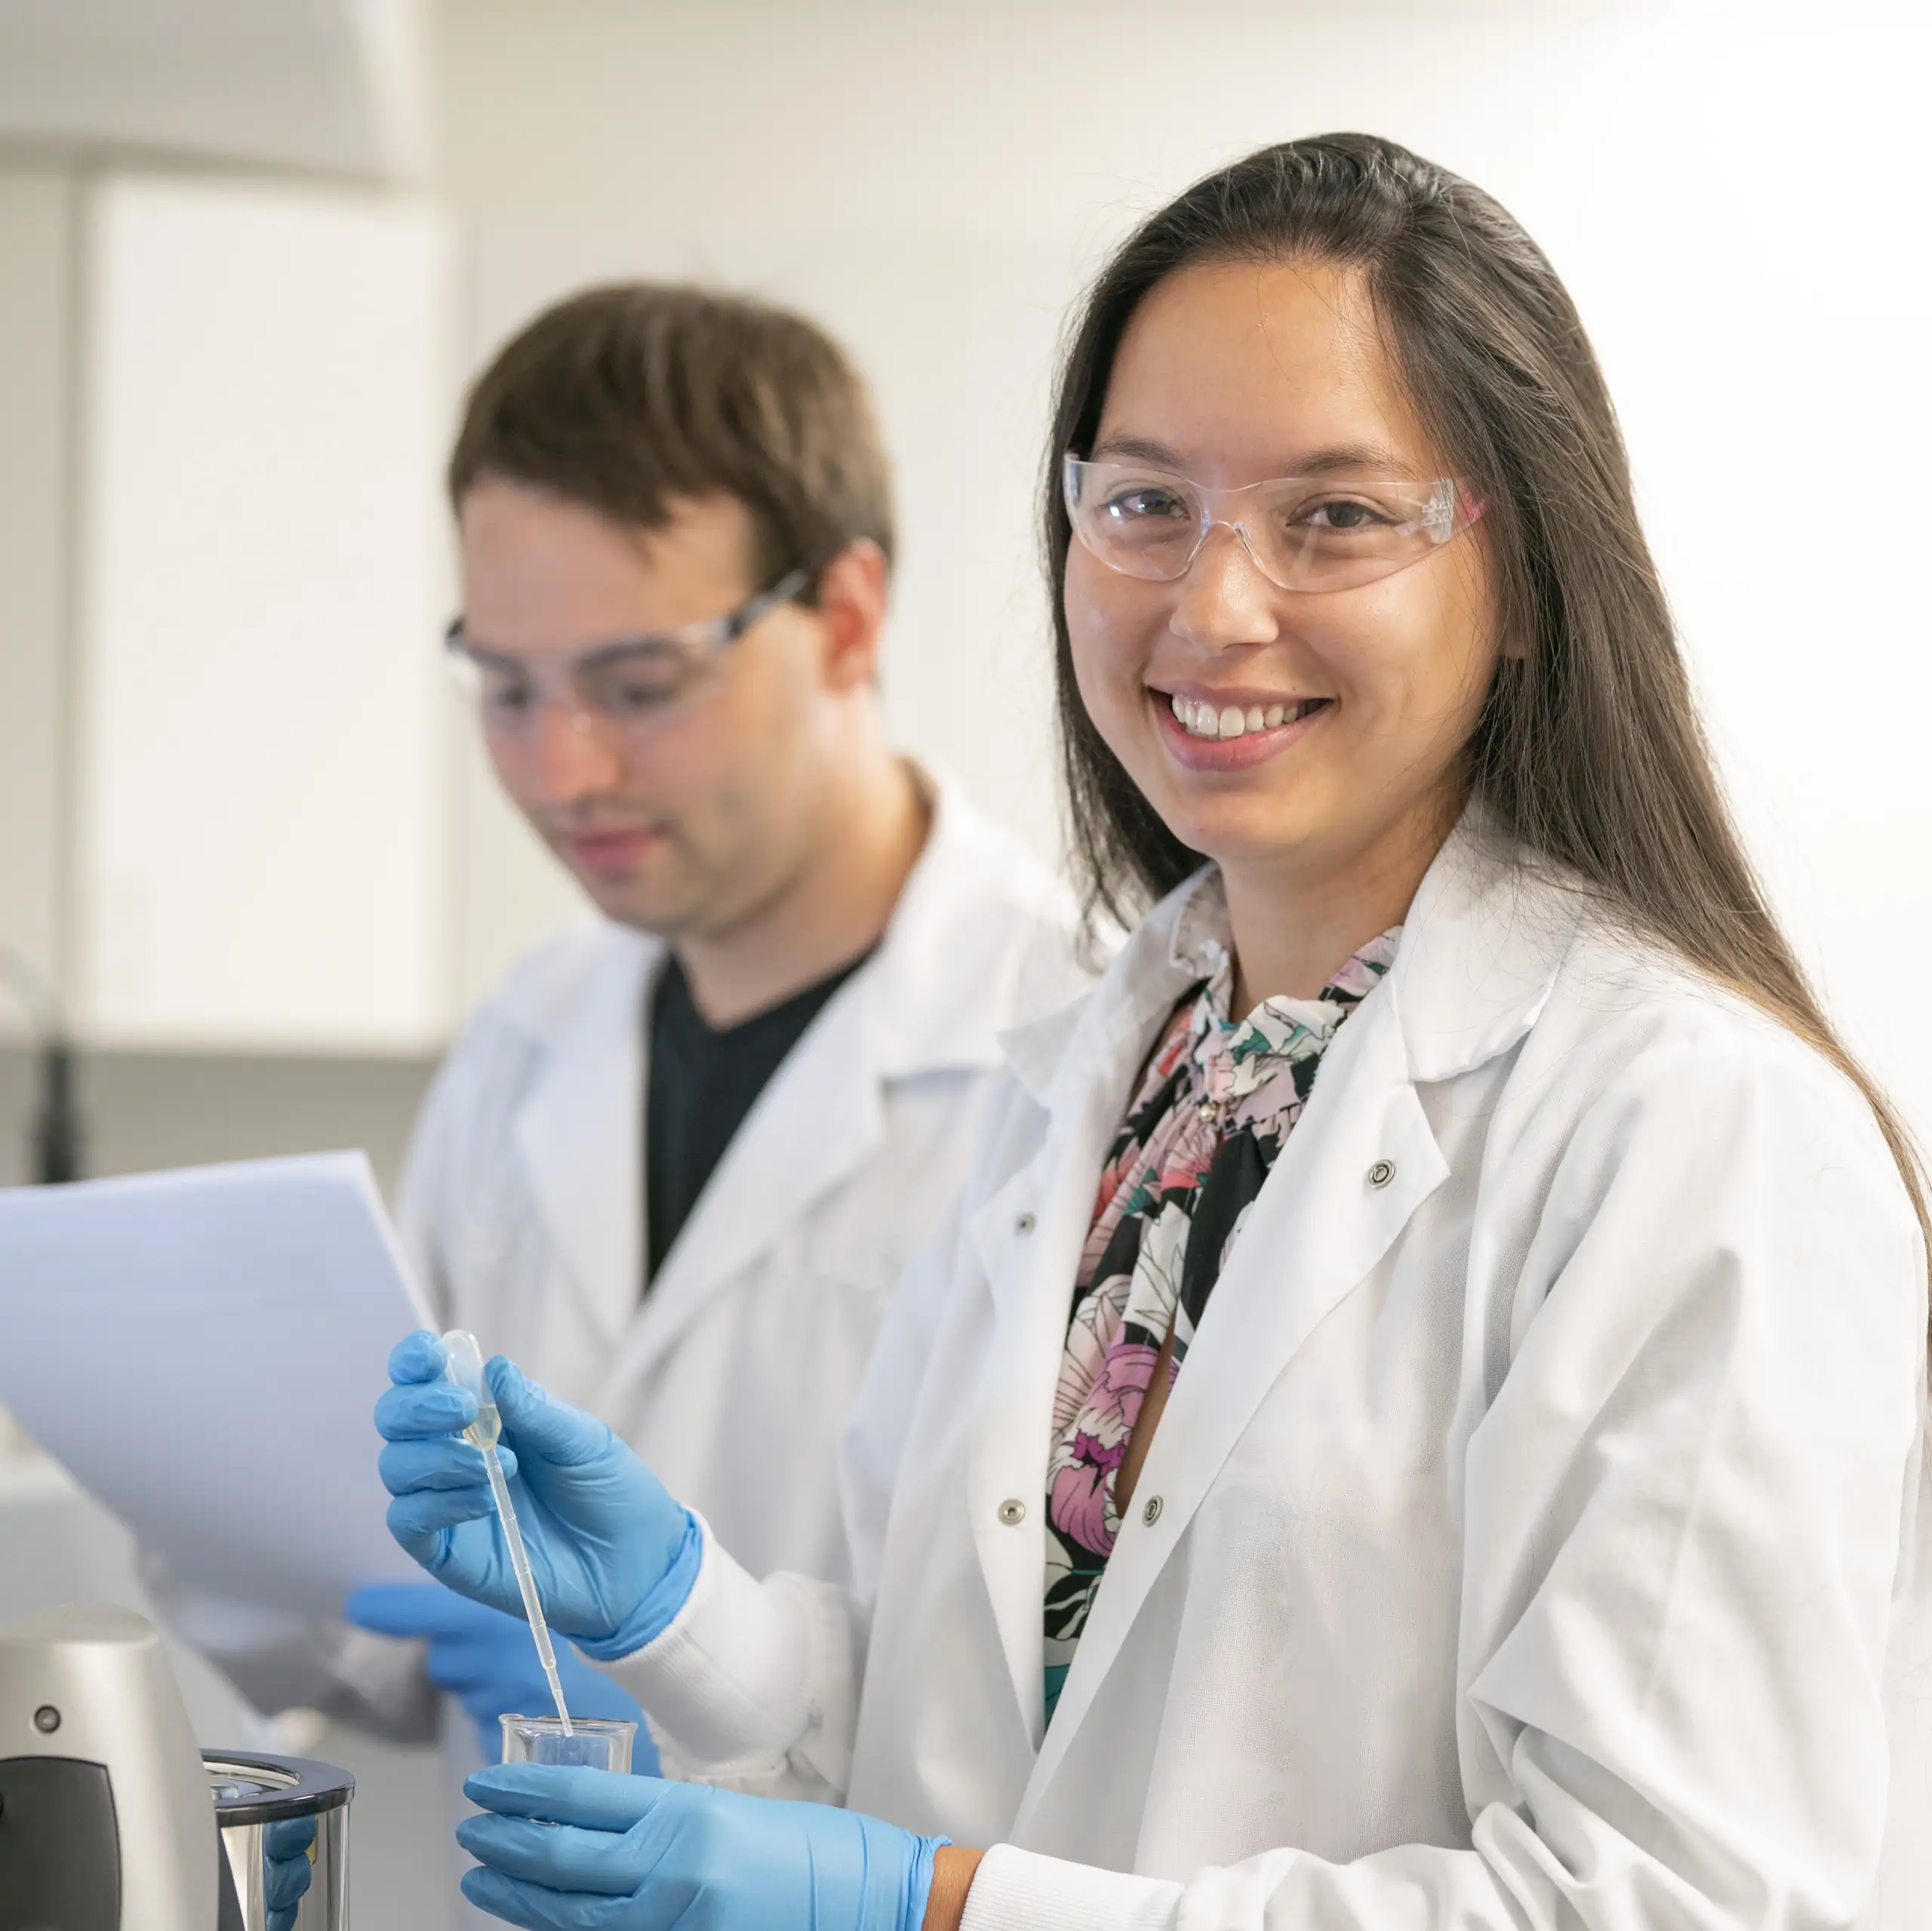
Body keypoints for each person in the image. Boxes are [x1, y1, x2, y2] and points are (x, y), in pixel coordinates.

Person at [373, 136, 1932, 1931]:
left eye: (1331, 515)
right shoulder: (1105, 1067)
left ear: (1521, 575)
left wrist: (936, 1906)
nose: (1209, 605)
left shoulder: (1691, 1131)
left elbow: (1661, 1904)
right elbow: (965, 1731)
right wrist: (680, 1614)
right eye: (1140, 505)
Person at [157, 285, 1088, 1781]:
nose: (560, 766)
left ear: (844, 615)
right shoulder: (529, 1038)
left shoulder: (1068, 1052)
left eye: (637, 684)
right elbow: (383, 1645)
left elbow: (1040, 1717)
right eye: (505, 688)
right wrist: (206, 1485)